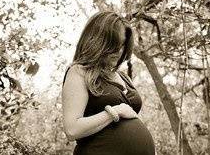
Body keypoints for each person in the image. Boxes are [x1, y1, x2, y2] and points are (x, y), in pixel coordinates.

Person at [62, 11, 155, 155]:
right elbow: (72, 129)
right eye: (114, 44)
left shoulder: (124, 78)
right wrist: (116, 111)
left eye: (123, 44)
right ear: (98, 41)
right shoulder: (79, 72)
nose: (119, 50)